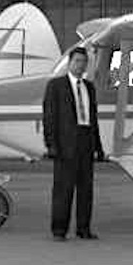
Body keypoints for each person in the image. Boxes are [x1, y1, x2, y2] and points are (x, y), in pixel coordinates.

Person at [43, 46, 105, 241]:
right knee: (64, 188)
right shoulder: (56, 86)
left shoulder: (89, 87)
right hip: (65, 143)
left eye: (83, 62)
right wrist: (51, 144)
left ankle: (83, 228)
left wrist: (98, 147)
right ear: (69, 63)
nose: (80, 65)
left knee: (86, 189)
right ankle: (59, 230)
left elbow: (93, 119)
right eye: (77, 61)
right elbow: (50, 117)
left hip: (86, 139)